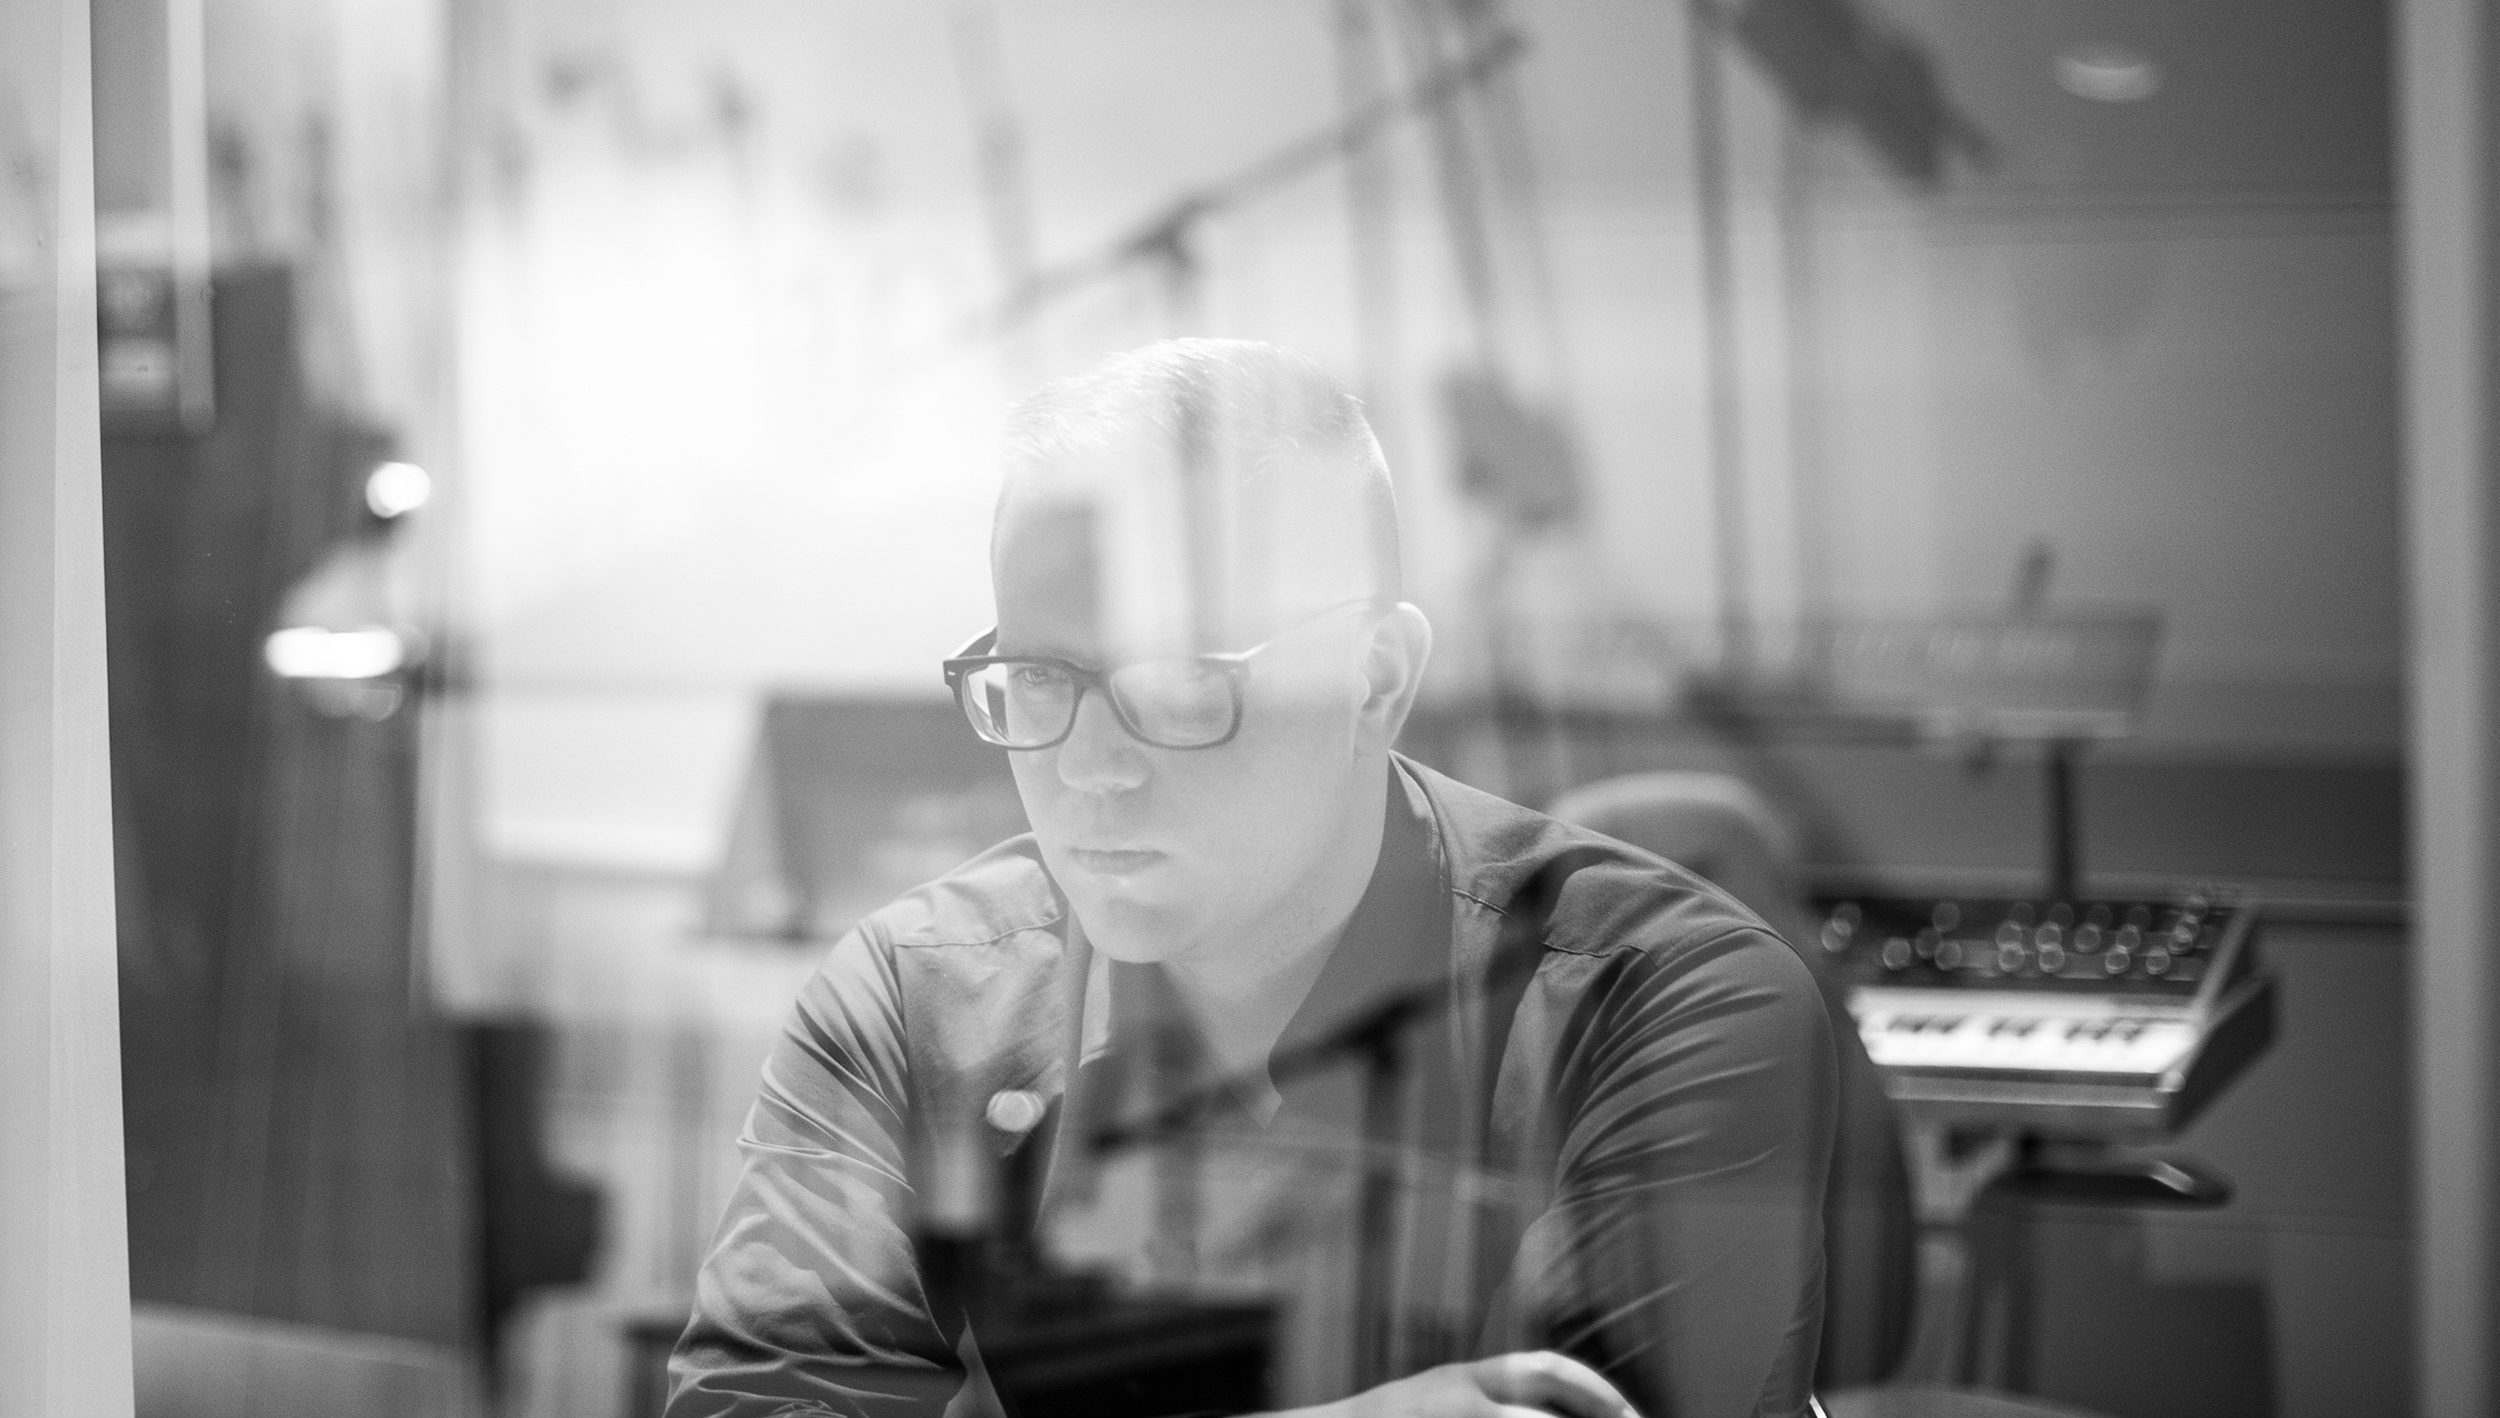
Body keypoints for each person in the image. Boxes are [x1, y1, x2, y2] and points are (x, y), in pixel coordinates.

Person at [667, 340, 1837, 1418]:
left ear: (1373, 681)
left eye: (1179, 680)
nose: (1087, 767)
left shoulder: (1670, 999)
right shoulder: (915, 998)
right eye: (1034, 676)